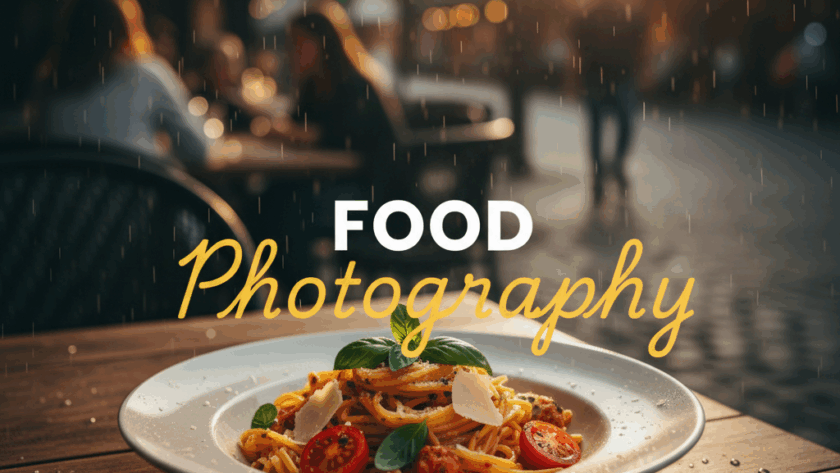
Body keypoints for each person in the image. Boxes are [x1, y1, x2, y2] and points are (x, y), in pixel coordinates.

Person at [32, 0, 210, 167]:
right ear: (126, 27)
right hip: (136, 196)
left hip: (69, 198)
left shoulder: (49, 80)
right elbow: (198, 150)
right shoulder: (146, 73)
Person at [575, 3, 646, 205]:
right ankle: (606, 170)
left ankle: (610, 167)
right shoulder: (616, 14)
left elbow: (579, 36)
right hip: (607, 75)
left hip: (610, 75)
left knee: (610, 125)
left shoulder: (618, 14)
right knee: (615, 124)